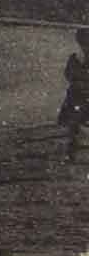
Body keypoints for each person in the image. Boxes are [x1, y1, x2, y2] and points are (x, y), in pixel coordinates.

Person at [59, 27, 89, 162]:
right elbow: (68, 74)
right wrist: (77, 81)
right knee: (73, 124)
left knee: (74, 123)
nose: (85, 46)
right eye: (83, 43)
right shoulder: (76, 58)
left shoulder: (77, 58)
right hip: (77, 96)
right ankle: (71, 151)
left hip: (82, 95)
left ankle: (71, 149)